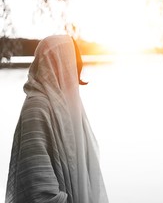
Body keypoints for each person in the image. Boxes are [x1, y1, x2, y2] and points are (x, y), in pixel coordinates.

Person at [5, 35, 108, 203]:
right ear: (58, 64)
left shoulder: (65, 106)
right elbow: (38, 189)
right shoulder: (36, 108)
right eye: (71, 66)